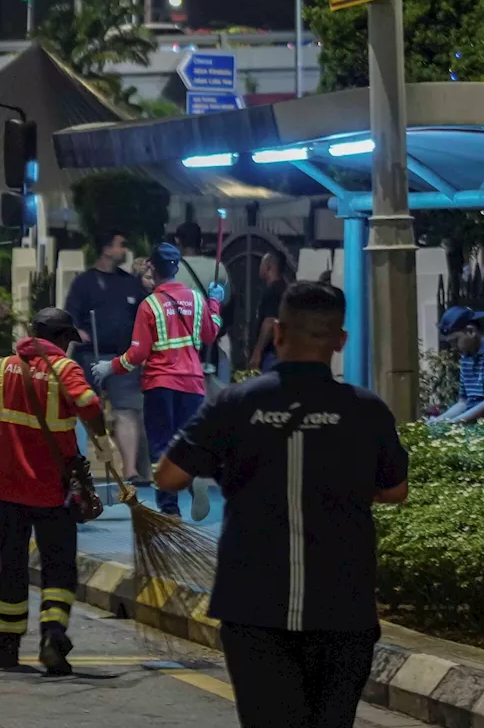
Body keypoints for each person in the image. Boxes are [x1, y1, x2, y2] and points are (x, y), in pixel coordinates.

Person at [155, 282, 409, 728]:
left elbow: (169, 476)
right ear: (340, 340)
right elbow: (395, 490)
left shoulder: (235, 403)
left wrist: (233, 470)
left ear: (277, 333)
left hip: (253, 605)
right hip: (343, 606)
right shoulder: (367, 410)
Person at [0, 307, 109, 675]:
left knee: (11, 568)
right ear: (59, 340)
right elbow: (89, 404)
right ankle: (53, 635)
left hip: (9, 491)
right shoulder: (64, 370)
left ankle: (6, 647)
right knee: (59, 569)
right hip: (54, 492)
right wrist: (100, 436)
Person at [94, 243, 222, 521]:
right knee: (187, 441)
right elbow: (211, 335)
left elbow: (138, 354)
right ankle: (194, 476)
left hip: (160, 385)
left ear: (152, 267)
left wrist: (110, 367)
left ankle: (170, 510)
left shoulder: (149, 305)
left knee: (161, 448)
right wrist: (214, 303)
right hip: (193, 384)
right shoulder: (198, 300)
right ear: (177, 268)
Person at [65, 230, 147, 483]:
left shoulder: (131, 283)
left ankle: (130, 470)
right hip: (90, 356)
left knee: (127, 412)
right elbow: (69, 318)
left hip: (123, 359)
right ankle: (78, 467)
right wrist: (78, 331)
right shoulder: (84, 282)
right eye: (120, 246)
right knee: (84, 413)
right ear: (107, 249)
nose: (124, 251)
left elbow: (145, 317)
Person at [174, 222, 232, 399]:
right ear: (201, 242)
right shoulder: (217, 268)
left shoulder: (170, 268)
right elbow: (225, 300)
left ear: (178, 241)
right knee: (206, 393)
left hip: (176, 343)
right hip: (206, 342)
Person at [429, 306, 484, 424]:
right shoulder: (466, 358)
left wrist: (455, 422)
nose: (453, 348)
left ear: (471, 332)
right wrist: (440, 420)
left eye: (455, 341)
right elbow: (464, 402)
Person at [248, 249, 289, 373]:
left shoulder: (272, 291)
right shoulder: (285, 288)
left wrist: (257, 352)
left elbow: (269, 322)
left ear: (268, 266)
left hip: (271, 354)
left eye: (261, 264)